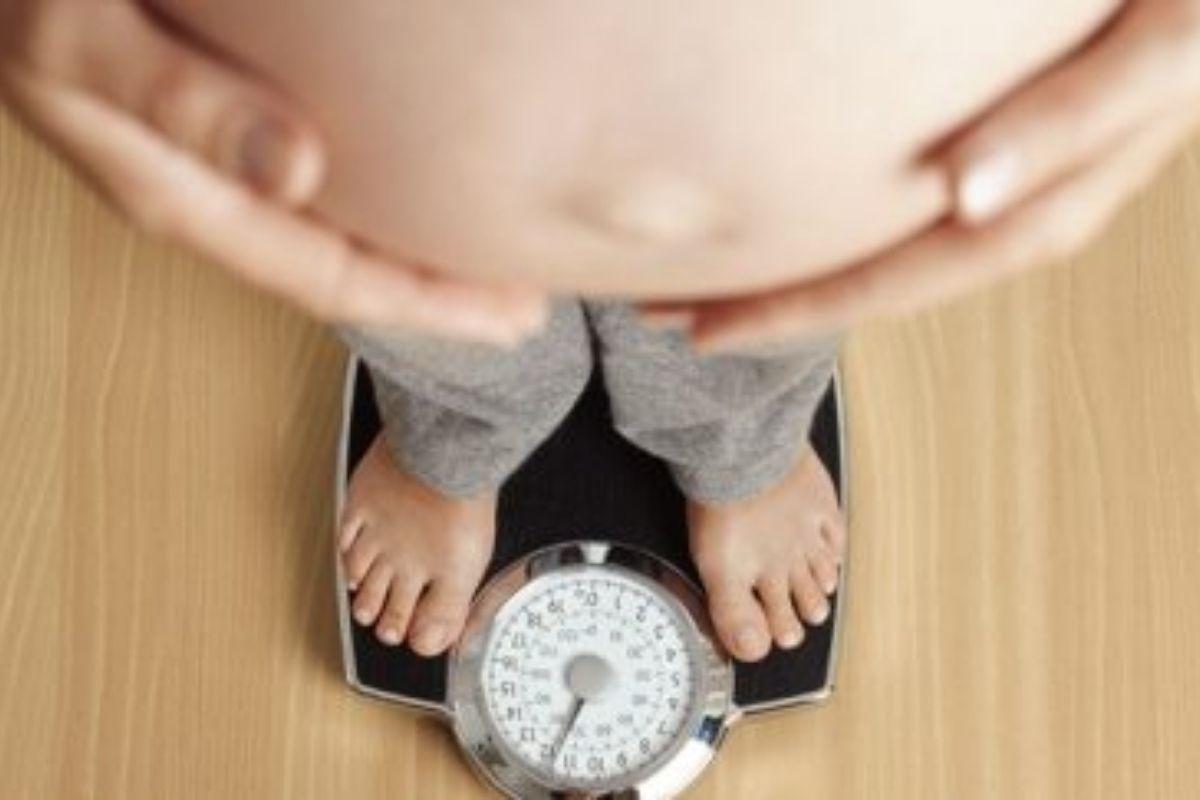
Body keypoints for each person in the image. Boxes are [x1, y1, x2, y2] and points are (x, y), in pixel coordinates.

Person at [4, 0, 1198, 662]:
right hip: (344, 167)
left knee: (757, 340)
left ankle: (738, 443)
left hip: (846, 195)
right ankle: (459, 433)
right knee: (435, 334)